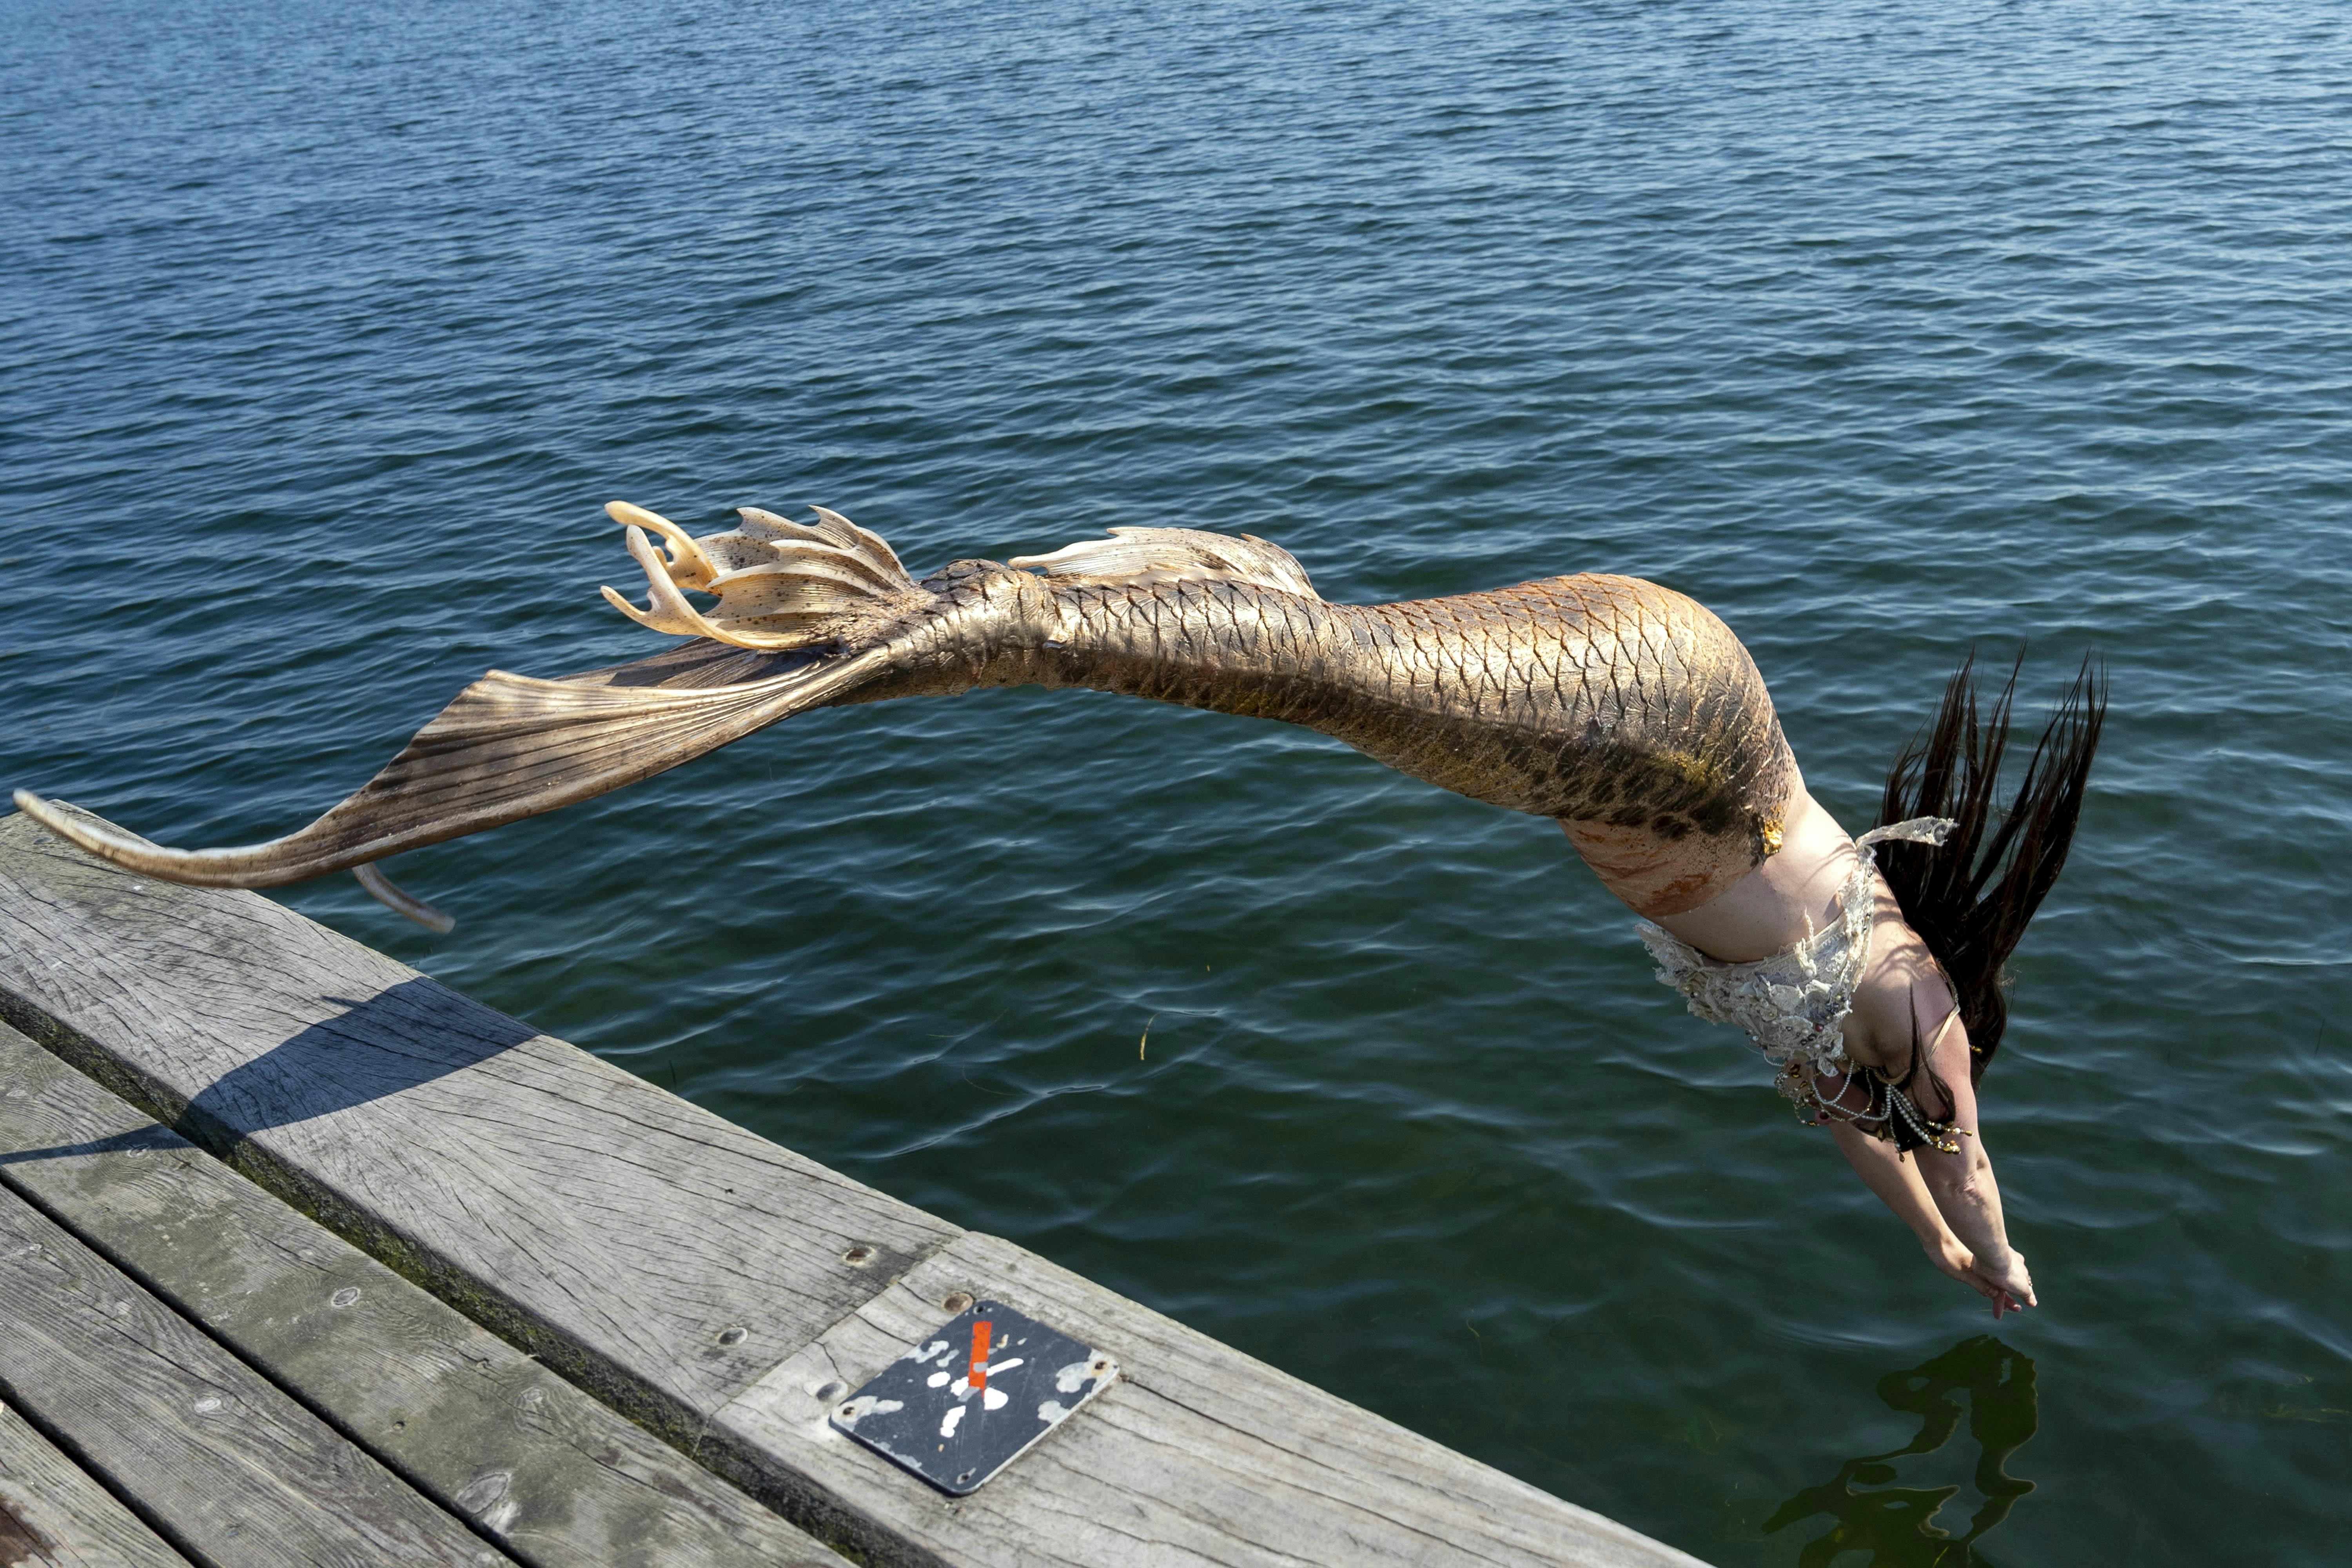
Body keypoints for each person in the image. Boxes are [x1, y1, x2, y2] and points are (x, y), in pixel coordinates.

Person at [12, 503, 2102, 1308]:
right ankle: (929, 617)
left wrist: (1932, 1251)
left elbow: (1875, 1154)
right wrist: (1995, 1255)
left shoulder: (1834, 1062)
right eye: (1923, 1108)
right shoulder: (1903, 1006)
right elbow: (1956, 1152)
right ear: (1942, 1048)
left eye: (1902, 1125)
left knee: (1312, 660)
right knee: (1263, 669)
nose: (1905, 1123)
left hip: (1608, 748)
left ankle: (1202, 563)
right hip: (1681, 738)